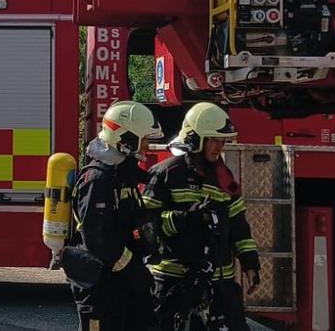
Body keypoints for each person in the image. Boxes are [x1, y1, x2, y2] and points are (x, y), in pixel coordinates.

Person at [143, 102, 260, 331]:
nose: (219, 147)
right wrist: (188, 218)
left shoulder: (224, 176)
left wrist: (250, 262)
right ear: (195, 139)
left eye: (223, 141)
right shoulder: (166, 174)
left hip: (219, 281)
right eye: (214, 140)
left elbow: (238, 225)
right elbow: (147, 225)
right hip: (173, 279)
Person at [66, 100, 162, 330]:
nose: (147, 146)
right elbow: (98, 240)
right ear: (126, 140)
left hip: (118, 280)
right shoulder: (98, 180)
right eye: (144, 139)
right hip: (99, 284)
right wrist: (134, 270)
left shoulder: (122, 173)